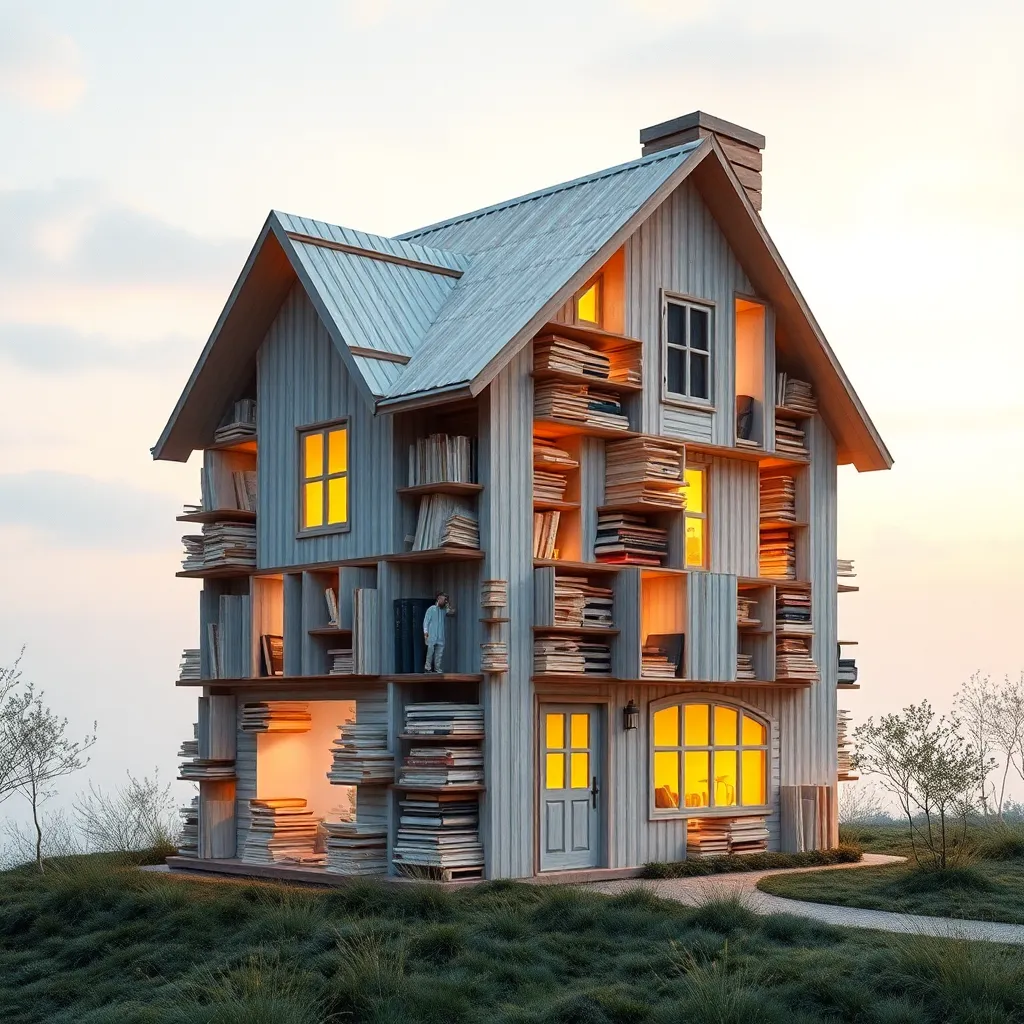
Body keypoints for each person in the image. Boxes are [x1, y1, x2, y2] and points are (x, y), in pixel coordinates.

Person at [422, 592, 455, 673]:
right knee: (430, 652)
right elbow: (426, 621)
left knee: (439, 653)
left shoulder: (444, 610)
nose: (444, 601)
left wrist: (448, 604)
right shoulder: (431, 609)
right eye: (443, 599)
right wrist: (425, 632)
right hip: (432, 634)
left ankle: (437, 668)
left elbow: (452, 613)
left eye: (445, 599)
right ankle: (427, 667)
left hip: (440, 635)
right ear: (438, 599)